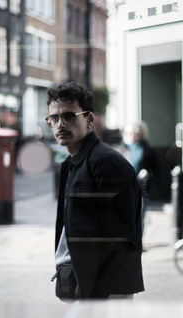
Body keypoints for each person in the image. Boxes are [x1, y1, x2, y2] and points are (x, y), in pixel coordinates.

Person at [46, 82, 144, 300]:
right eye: (54, 118)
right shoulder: (73, 163)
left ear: (89, 119)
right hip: (80, 282)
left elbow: (120, 237)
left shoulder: (106, 163)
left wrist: (94, 297)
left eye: (69, 116)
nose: (60, 124)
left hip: (103, 290)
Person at [123, 122, 160, 233]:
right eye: (130, 133)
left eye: (135, 133)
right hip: (124, 188)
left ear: (141, 134)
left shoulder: (147, 149)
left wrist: (150, 179)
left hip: (141, 188)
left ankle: (138, 241)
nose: (132, 136)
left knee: (139, 215)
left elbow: (156, 170)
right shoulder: (122, 148)